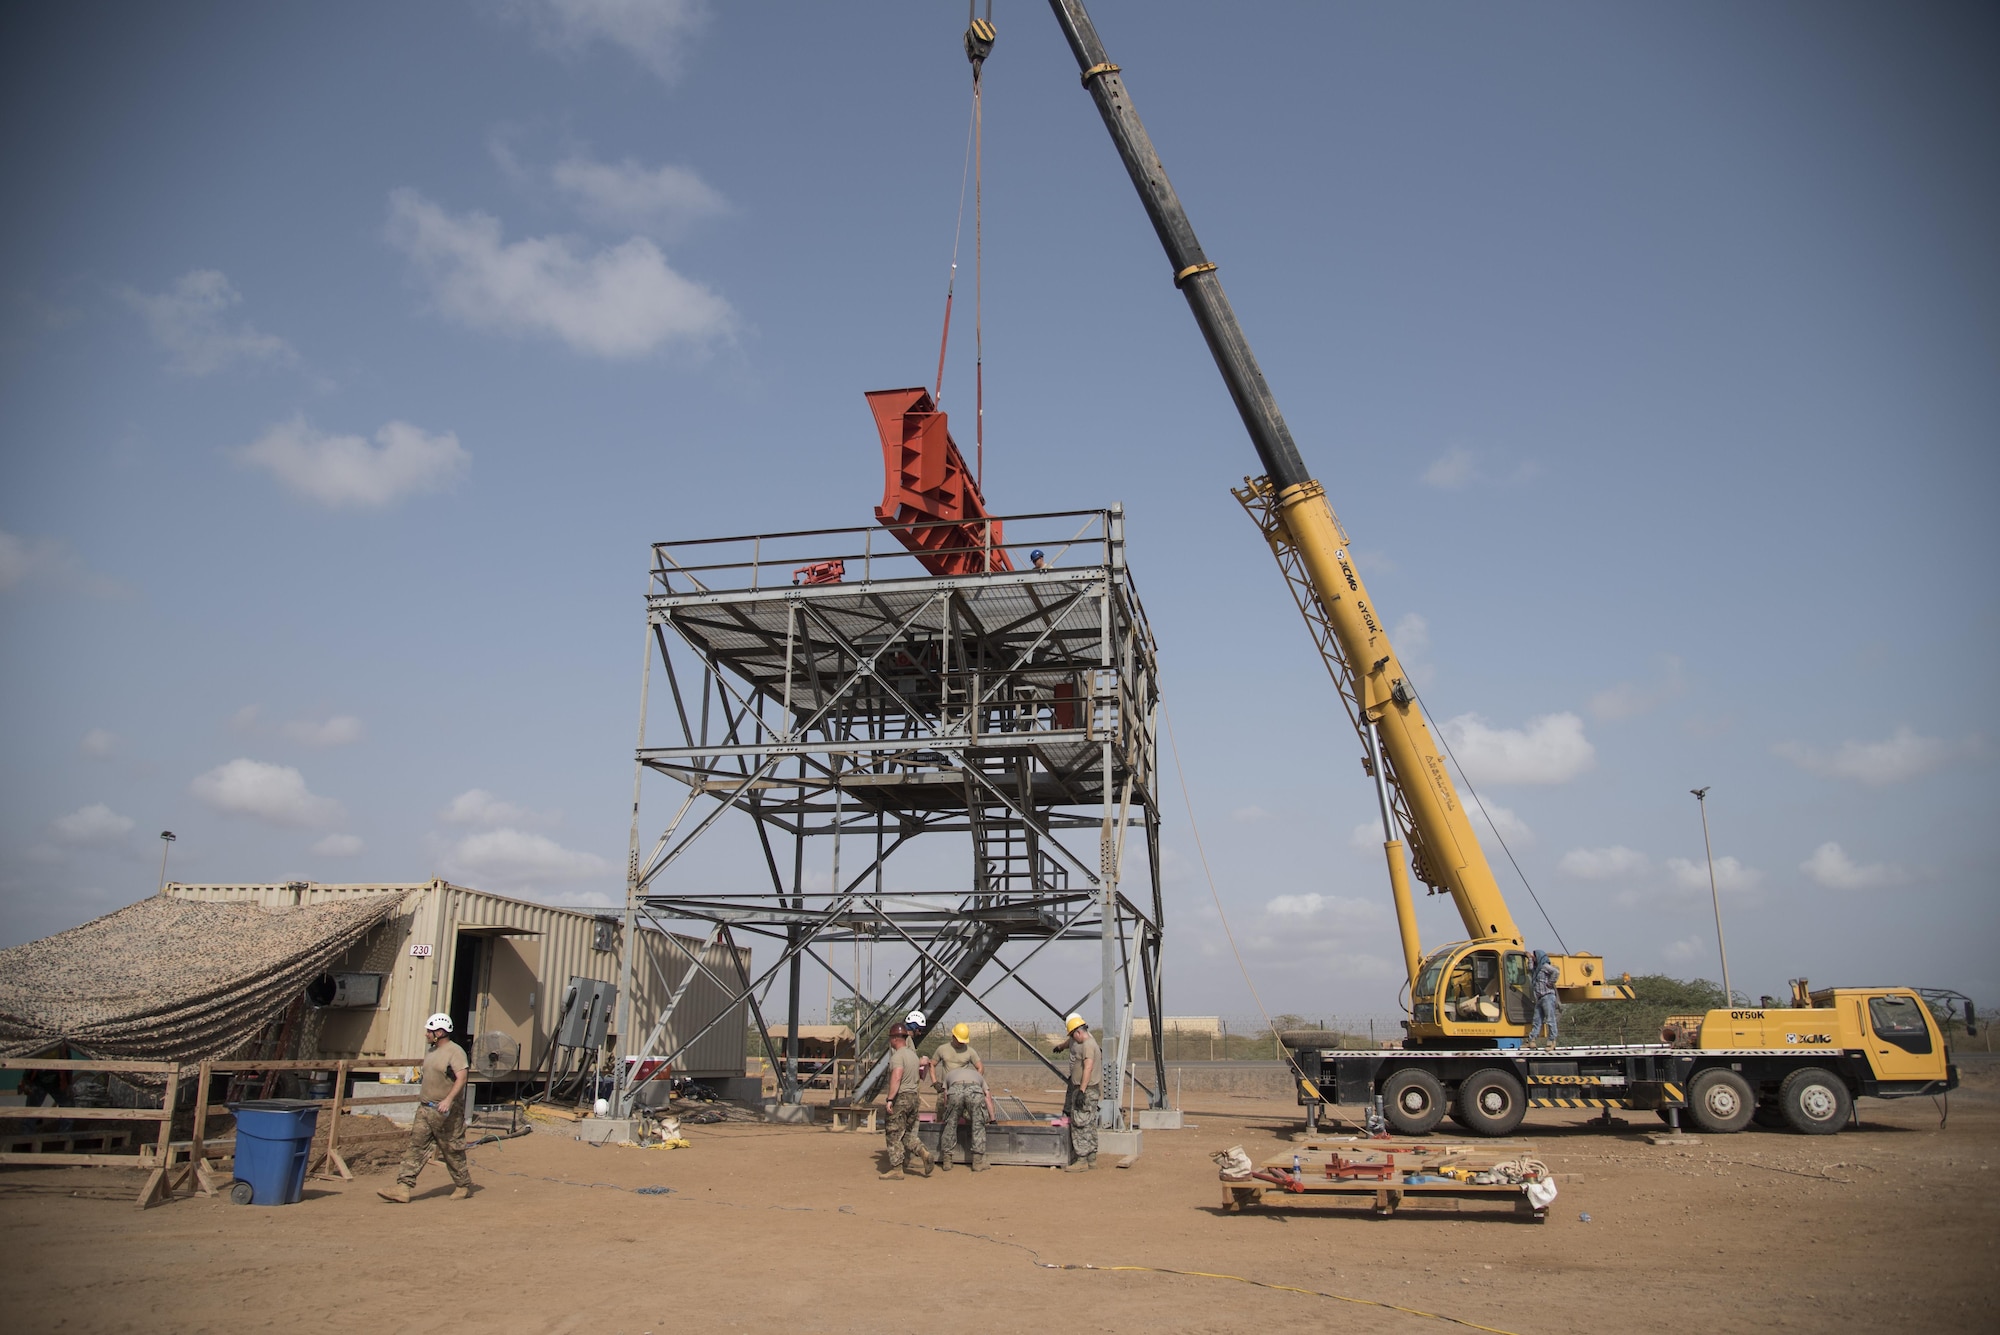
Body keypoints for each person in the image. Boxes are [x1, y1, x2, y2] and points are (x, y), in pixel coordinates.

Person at [379, 1014, 472, 1203]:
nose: (426, 1034)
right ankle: (403, 1187)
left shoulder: (455, 1052)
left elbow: (462, 1078)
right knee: (416, 1147)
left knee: (451, 1149)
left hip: (446, 1111)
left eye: (429, 1031)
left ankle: (462, 1185)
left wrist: (448, 1100)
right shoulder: (430, 1052)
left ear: (440, 1032)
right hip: (425, 1109)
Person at [930, 1022, 997, 1172]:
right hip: (962, 1089)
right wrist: (992, 1118)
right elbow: (988, 1096)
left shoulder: (970, 1052)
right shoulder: (942, 1049)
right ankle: (976, 1161)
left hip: (953, 1090)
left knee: (950, 1123)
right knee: (975, 1124)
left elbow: (980, 1067)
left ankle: (948, 1159)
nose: (961, 1043)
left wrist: (974, 1080)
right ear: (953, 1036)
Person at [879, 1023, 930, 1180]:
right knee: (906, 1132)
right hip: (914, 1098)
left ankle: (896, 1168)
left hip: (901, 1097)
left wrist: (889, 1099)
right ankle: (923, 1152)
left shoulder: (897, 1056)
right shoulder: (913, 1056)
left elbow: (897, 1076)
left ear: (895, 1039)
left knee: (893, 1132)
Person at [1052, 1013, 1101, 1170]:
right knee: (1090, 1123)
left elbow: (1088, 1068)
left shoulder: (1087, 1046)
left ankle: (1081, 1161)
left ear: (1079, 1032)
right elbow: (1069, 1043)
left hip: (1085, 1090)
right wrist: (1060, 1047)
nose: (1073, 1038)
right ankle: (1092, 1158)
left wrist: (1081, 1091)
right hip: (1091, 1090)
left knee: (1079, 1124)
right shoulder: (1089, 1042)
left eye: (1074, 1034)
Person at [1527, 950, 1562, 1048]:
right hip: (1539, 998)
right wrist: (1529, 958)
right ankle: (1532, 1040)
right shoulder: (1536, 969)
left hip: (1547, 996)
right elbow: (1530, 969)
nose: (1533, 957)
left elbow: (1556, 971)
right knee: (1536, 1020)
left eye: (1534, 956)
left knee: (1550, 1019)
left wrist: (1550, 983)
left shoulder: (1544, 966)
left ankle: (1552, 1040)